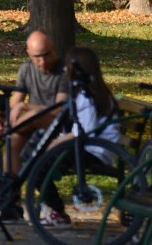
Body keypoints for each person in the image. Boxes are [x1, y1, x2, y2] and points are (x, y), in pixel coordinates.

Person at [0, 30, 69, 221]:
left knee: (34, 115)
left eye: (47, 54)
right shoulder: (26, 70)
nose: (43, 62)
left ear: (54, 50)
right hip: (28, 126)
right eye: (37, 57)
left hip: (56, 125)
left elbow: (59, 109)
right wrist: (2, 121)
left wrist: (26, 107)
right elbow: (15, 104)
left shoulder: (64, 71)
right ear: (29, 54)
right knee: (12, 140)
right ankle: (11, 203)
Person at [34, 46, 122, 229]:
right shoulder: (86, 92)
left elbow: (83, 131)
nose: (65, 70)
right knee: (38, 152)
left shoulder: (89, 97)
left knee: (39, 162)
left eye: (67, 66)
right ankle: (52, 209)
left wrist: (55, 143)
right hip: (88, 147)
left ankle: (57, 212)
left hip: (95, 151)